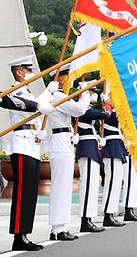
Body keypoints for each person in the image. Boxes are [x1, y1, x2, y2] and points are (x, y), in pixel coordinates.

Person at [5, 55, 53, 251]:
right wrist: (39, 104)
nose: (32, 72)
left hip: (32, 145)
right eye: (28, 69)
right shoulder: (15, 90)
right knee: (22, 193)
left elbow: (36, 108)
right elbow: (17, 104)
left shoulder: (27, 92)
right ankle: (18, 236)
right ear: (19, 72)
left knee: (30, 193)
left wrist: (49, 92)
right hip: (22, 145)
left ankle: (25, 233)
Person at [42, 64, 91, 241]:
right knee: (60, 186)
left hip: (65, 140)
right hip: (59, 143)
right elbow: (79, 110)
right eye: (67, 76)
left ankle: (61, 225)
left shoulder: (61, 95)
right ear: (61, 77)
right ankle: (57, 228)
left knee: (65, 187)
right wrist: (85, 93)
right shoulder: (57, 95)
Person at [76, 98, 110, 233]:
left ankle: (88, 218)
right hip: (87, 149)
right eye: (90, 92)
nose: (92, 95)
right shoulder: (82, 108)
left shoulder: (87, 108)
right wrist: (107, 103)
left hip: (91, 149)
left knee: (93, 185)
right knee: (88, 185)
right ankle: (85, 220)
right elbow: (104, 114)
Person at [100, 97, 127, 227]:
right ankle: (107, 214)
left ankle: (111, 212)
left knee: (116, 182)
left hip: (116, 146)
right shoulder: (107, 109)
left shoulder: (114, 109)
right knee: (112, 182)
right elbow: (111, 118)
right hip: (111, 146)